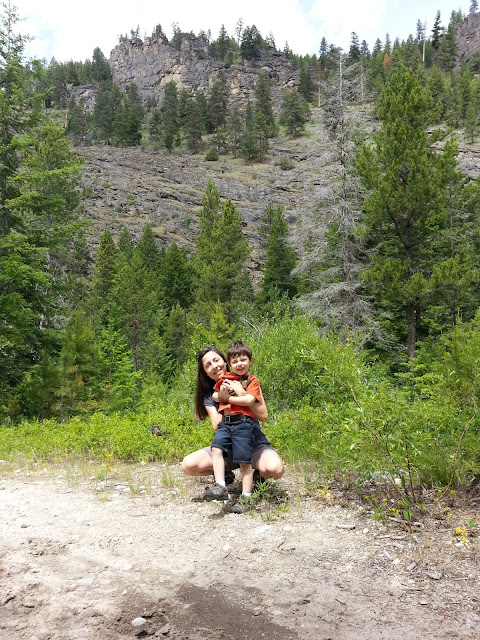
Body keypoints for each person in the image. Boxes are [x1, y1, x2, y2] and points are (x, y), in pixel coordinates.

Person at [181, 345, 284, 510]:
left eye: (216, 360)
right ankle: (224, 477)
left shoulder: (248, 381)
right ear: (205, 372)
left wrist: (241, 394)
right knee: (188, 465)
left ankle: (258, 476)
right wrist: (226, 397)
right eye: (208, 365)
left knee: (275, 469)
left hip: (252, 441)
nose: (214, 366)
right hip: (228, 444)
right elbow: (217, 425)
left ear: (225, 361)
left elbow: (263, 415)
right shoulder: (210, 394)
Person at [204, 340, 262, 509]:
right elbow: (215, 395)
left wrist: (230, 396)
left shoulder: (251, 381)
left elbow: (249, 400)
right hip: (226, 424)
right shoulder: (227, 378)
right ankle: (220, 486)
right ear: (229, 364)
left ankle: (246, 497)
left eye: (243, 360)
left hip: (243, 423)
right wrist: (223, 393)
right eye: (235, 361)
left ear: (250, 360)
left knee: (244, 461)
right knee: (216, 449)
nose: (239, 364)